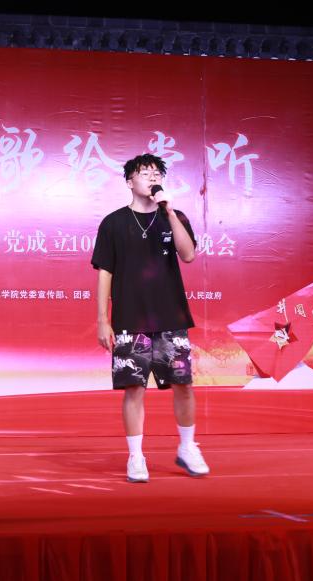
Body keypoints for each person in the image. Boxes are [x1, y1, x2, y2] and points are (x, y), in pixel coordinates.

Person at [91, 153, 209, 482]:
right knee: (134, 389)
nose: (152, 177)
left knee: (183, 385)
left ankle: (187, 447)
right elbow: (105, 273)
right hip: (130, 320)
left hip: (171, 318)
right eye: (144, 173)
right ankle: (136, 456)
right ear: (129, 181)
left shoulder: (174, 216)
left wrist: (168, 210)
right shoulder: (113, 223)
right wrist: (103, 319)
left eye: (157, 173)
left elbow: (188, 255)